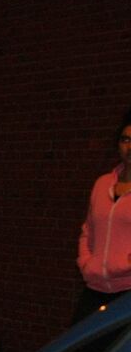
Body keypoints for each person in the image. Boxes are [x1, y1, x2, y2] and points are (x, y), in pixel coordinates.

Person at [76, 110, 131, 322]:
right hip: (95, 287)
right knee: (81, 351)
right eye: (125, 139)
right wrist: (86, 262)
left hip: (127, 291)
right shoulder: (102, 184)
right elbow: (87, 231)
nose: (130, 147)